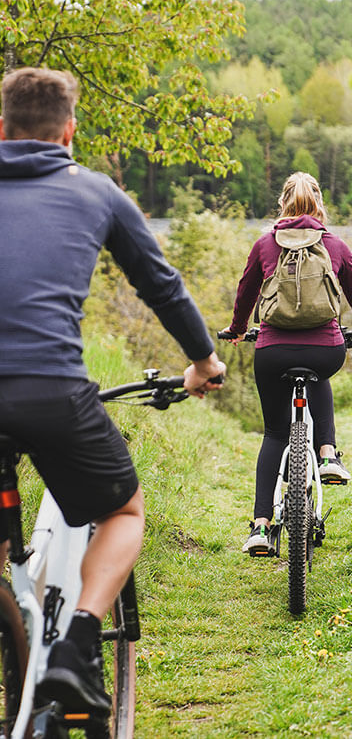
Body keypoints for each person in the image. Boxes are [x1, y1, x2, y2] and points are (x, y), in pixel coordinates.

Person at [0, 67, 226, 713]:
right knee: (124, 511)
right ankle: (77, 645)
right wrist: (204, 361)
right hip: (51, 389)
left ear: (2, 129)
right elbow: (161, 285)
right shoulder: (95, 192)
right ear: (69, 133)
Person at [224, 171, 352, 555]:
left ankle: (260, 527)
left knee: (275, 435)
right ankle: (327, 452)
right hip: (325, 350)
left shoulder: (264, 245)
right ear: (319, 206)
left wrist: (237, 328)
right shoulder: (335, 245)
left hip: (272, 352)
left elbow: (246, 293)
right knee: (319, 374)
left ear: (283, 205)